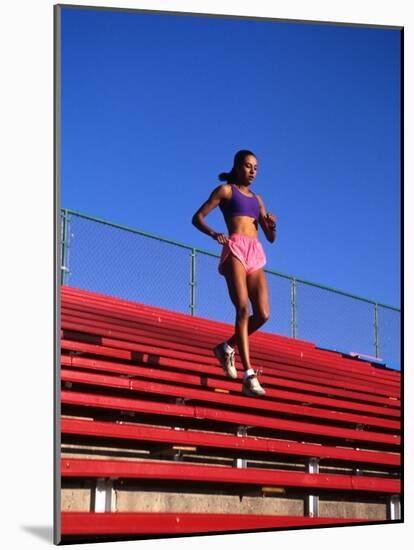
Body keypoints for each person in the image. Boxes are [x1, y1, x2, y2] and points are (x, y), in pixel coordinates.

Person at [192, 150, 277, 397]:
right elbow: (197, 217)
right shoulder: (226, 191)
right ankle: (249, 375)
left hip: (255, 252)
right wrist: (213, 233)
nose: (253, 171)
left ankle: (227, 347)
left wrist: (272, 225)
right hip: (236, 248)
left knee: (263, 314)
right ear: (238, 167)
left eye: (256, 168)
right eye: (248, 166)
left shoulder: (258, 199)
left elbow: (270, 238)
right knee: (243, 309)